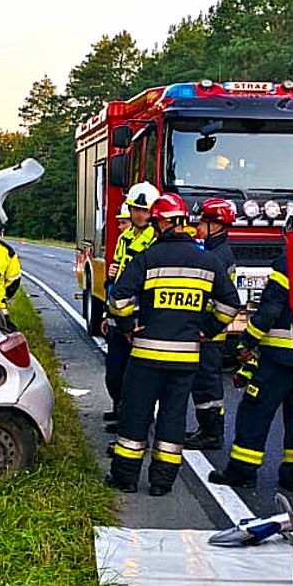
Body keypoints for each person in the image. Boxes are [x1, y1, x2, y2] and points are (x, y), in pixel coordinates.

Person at [106, 193, 241, 496]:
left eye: (155, 223)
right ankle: (162, 483)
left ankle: (125, 478)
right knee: (173, 419)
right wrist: (206, 330)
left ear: (163, 222)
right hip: (185, 358)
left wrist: (128, 327)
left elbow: (119, 299)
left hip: (146, 357)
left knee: (135, 416)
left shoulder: (147, 258)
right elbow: (231, 304)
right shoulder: (208, 260)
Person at [209, 200, 293, 495]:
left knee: (255, 410)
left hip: (278, 357)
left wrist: (247, 341)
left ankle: (242, 471)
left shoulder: (290, 261)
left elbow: (270, 309)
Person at [102, 182, 159, 430]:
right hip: (119, 313)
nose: (139, 214)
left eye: (144, 210)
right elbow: (115, 281)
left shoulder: (155, 240)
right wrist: (107, 310)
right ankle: (120, 408)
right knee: (114, 372)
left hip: (141, 316)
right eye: (136, 209)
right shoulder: (124, 238)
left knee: (135, 375)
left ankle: (132, 418)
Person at [185, 198, 237, 450]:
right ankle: (206, 429)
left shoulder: (218, 256)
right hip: (207, 331)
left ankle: (212, 434)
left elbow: (224, 300)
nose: (197, 227)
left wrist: (207, 328)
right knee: (204, 384)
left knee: (208, 385)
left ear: (216, 225)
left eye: (202, 222)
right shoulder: (215, 251)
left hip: (210, 334)